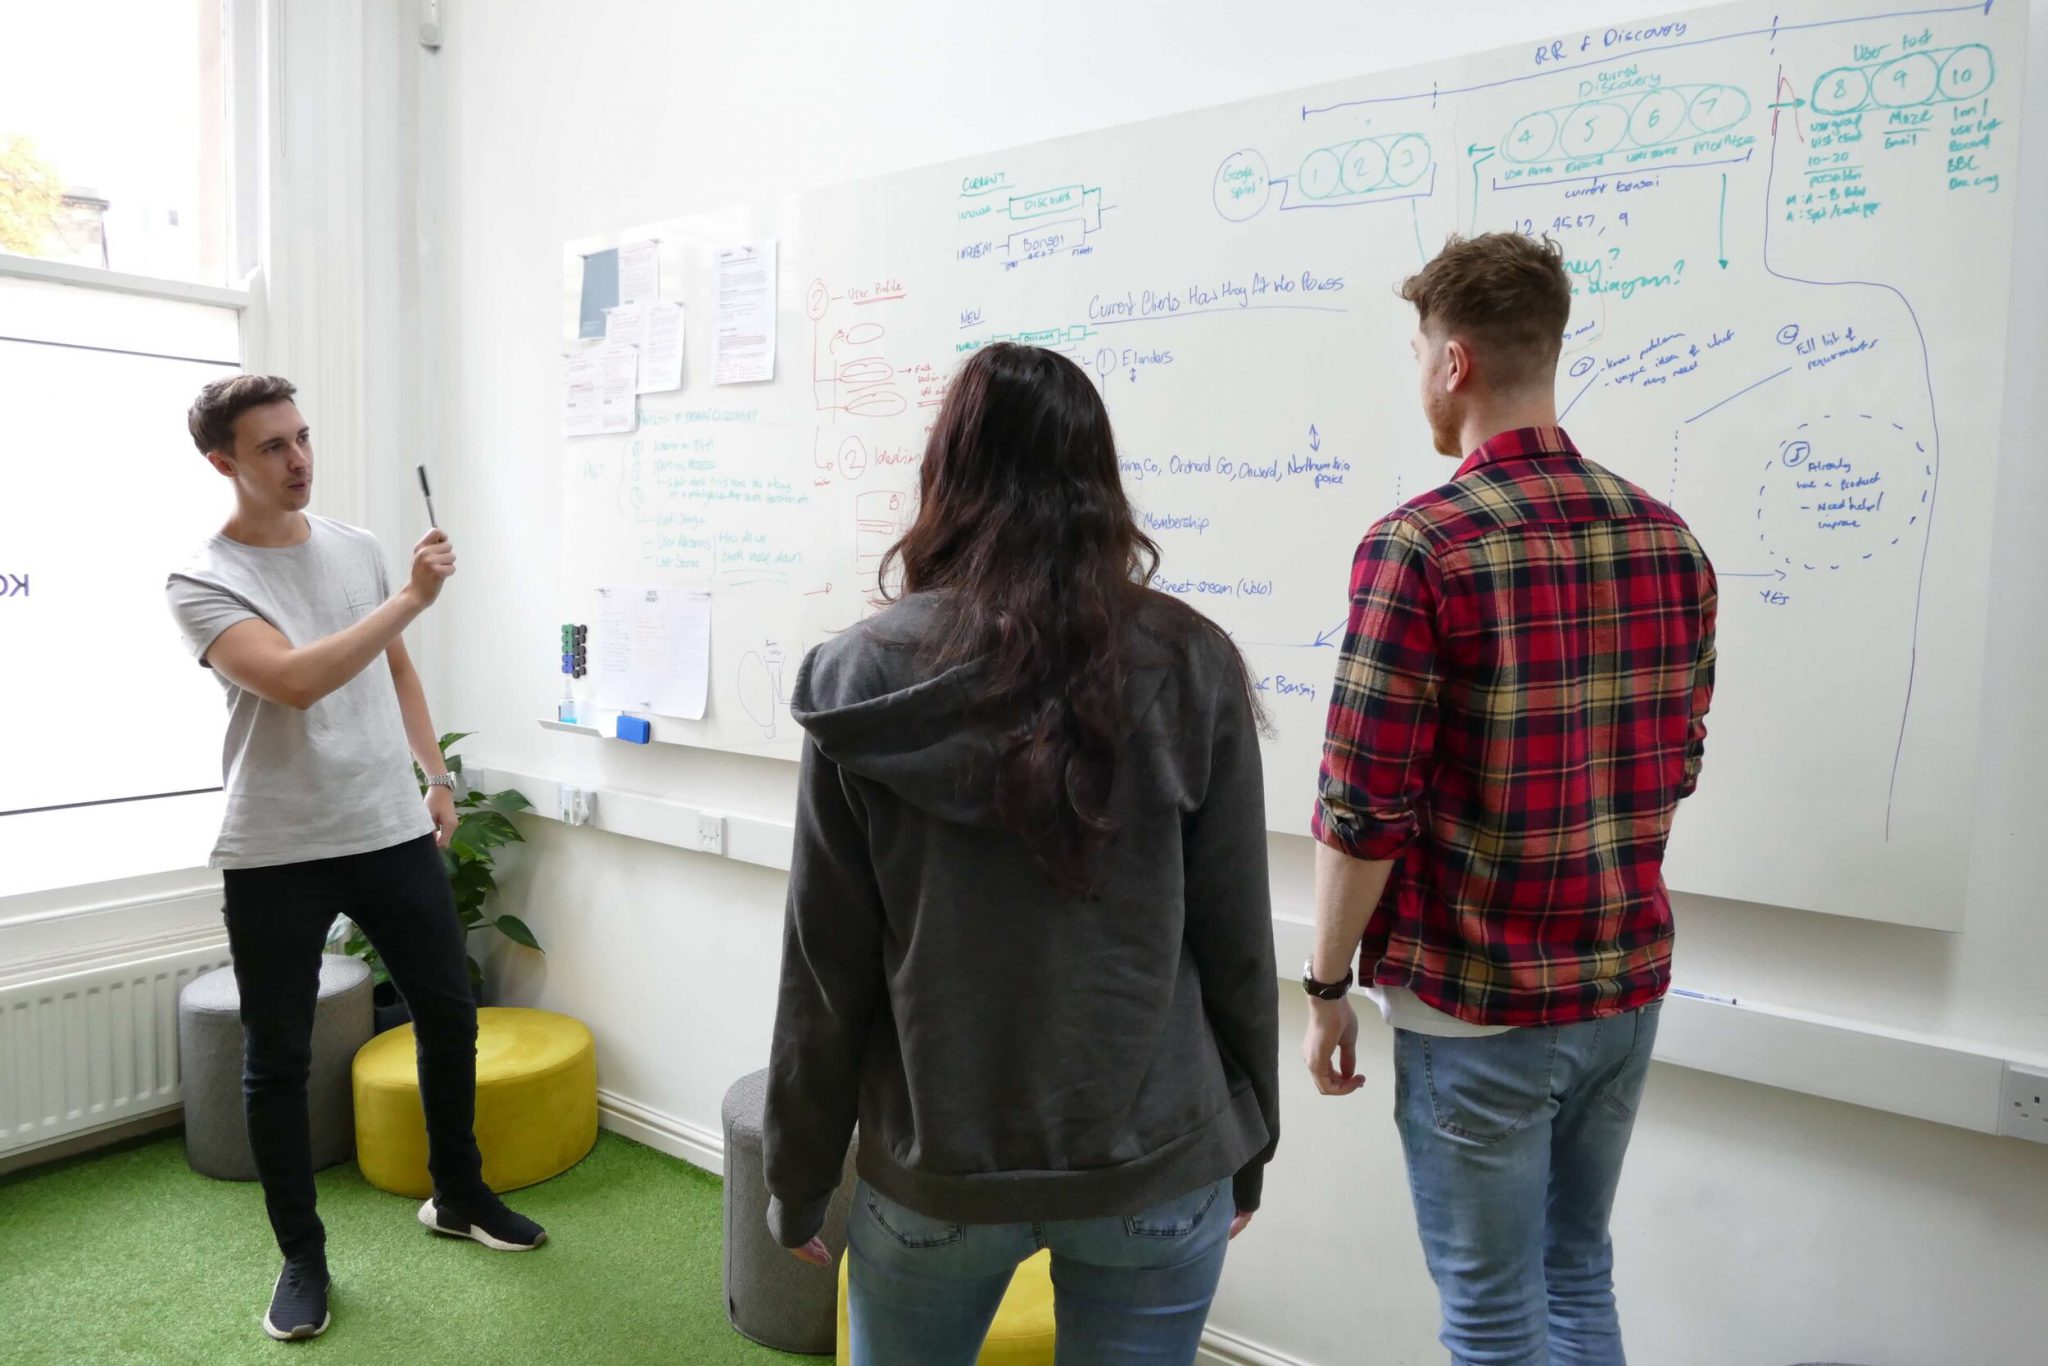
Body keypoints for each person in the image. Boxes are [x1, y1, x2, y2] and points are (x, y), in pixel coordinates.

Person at [762, 343, 1279, 1364]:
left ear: (943, 475)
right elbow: (1238, 944)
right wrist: (1251, 1134)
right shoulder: (1190, 663)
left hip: (937, 1172)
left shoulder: (861, 677)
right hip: (1158, 1164)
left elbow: (825, 967)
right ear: (1099, 482)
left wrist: (798, 1171)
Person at [1301, 233, 1717, 1363]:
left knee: (1490, 1314)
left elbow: (1363, 807)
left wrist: (1326, 979)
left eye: (1419, 351)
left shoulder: (1419, 547)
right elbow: (1676, 758)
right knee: (1574, 1274)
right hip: (1620, 987)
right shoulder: (1666, 540)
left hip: (1476, 1000)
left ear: (1451, 362)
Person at [167, 375, 546, 1343]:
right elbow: (295, 680)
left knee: (449, 1017)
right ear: (222, 463)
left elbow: (395, 669)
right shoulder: (202, 581)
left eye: (302, 438)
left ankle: (456, 1193)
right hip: (277, 847)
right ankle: (303, 1257)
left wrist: (436, 776)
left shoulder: (356, 547)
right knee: (277, 1062)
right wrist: (413, 599)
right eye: (270, 448)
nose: (298, 461)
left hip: (388, 825)